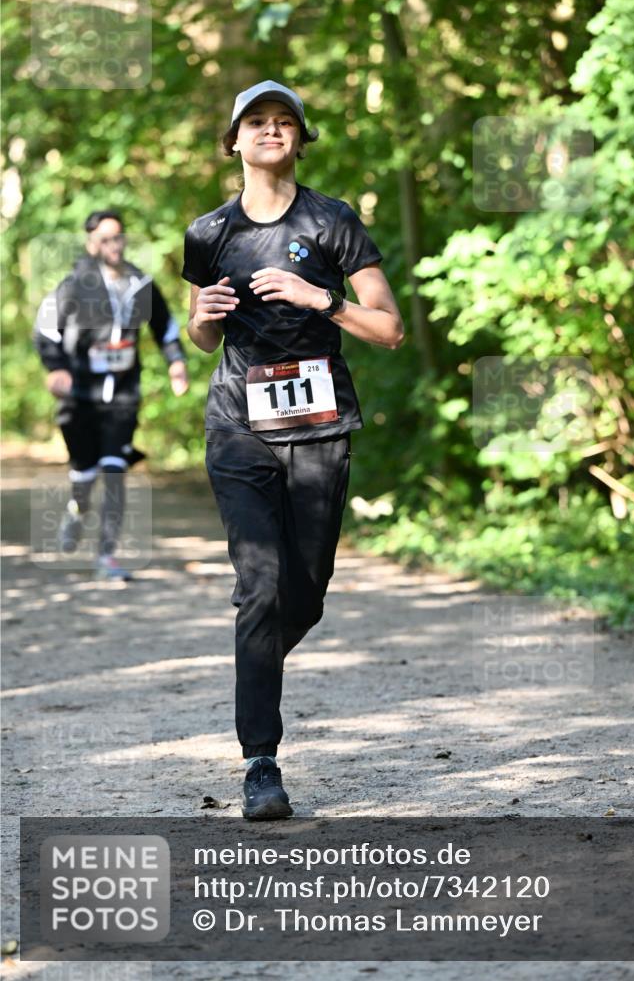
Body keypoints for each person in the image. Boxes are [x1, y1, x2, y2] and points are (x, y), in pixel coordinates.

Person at [182, 80, 404, 820]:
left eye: (284, 122)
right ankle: (261, 764)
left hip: (320, 426)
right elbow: (201, 332)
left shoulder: (332, 221)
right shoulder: (209, 232)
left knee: (302, 593)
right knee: (260, 586)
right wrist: (205, 318)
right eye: (256, 121)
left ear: (299, 140)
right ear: (234, 141)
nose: (271, 131)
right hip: (237, 426)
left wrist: (323, 301)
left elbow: (388, 327)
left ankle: (254, 663)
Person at [34, 210, 189, 580]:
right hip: (80, 398)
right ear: (91, 244)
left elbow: (165, 327)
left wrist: (176, 363)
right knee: (85, 475)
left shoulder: (140, 284)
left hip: (123, 394)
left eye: (117, 237)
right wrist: (56, 369)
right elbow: (45, 332)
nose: (113, 245)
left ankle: (107, 556)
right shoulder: (73, 285)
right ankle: (77, 509)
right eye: (104, 239)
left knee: (115, 471)